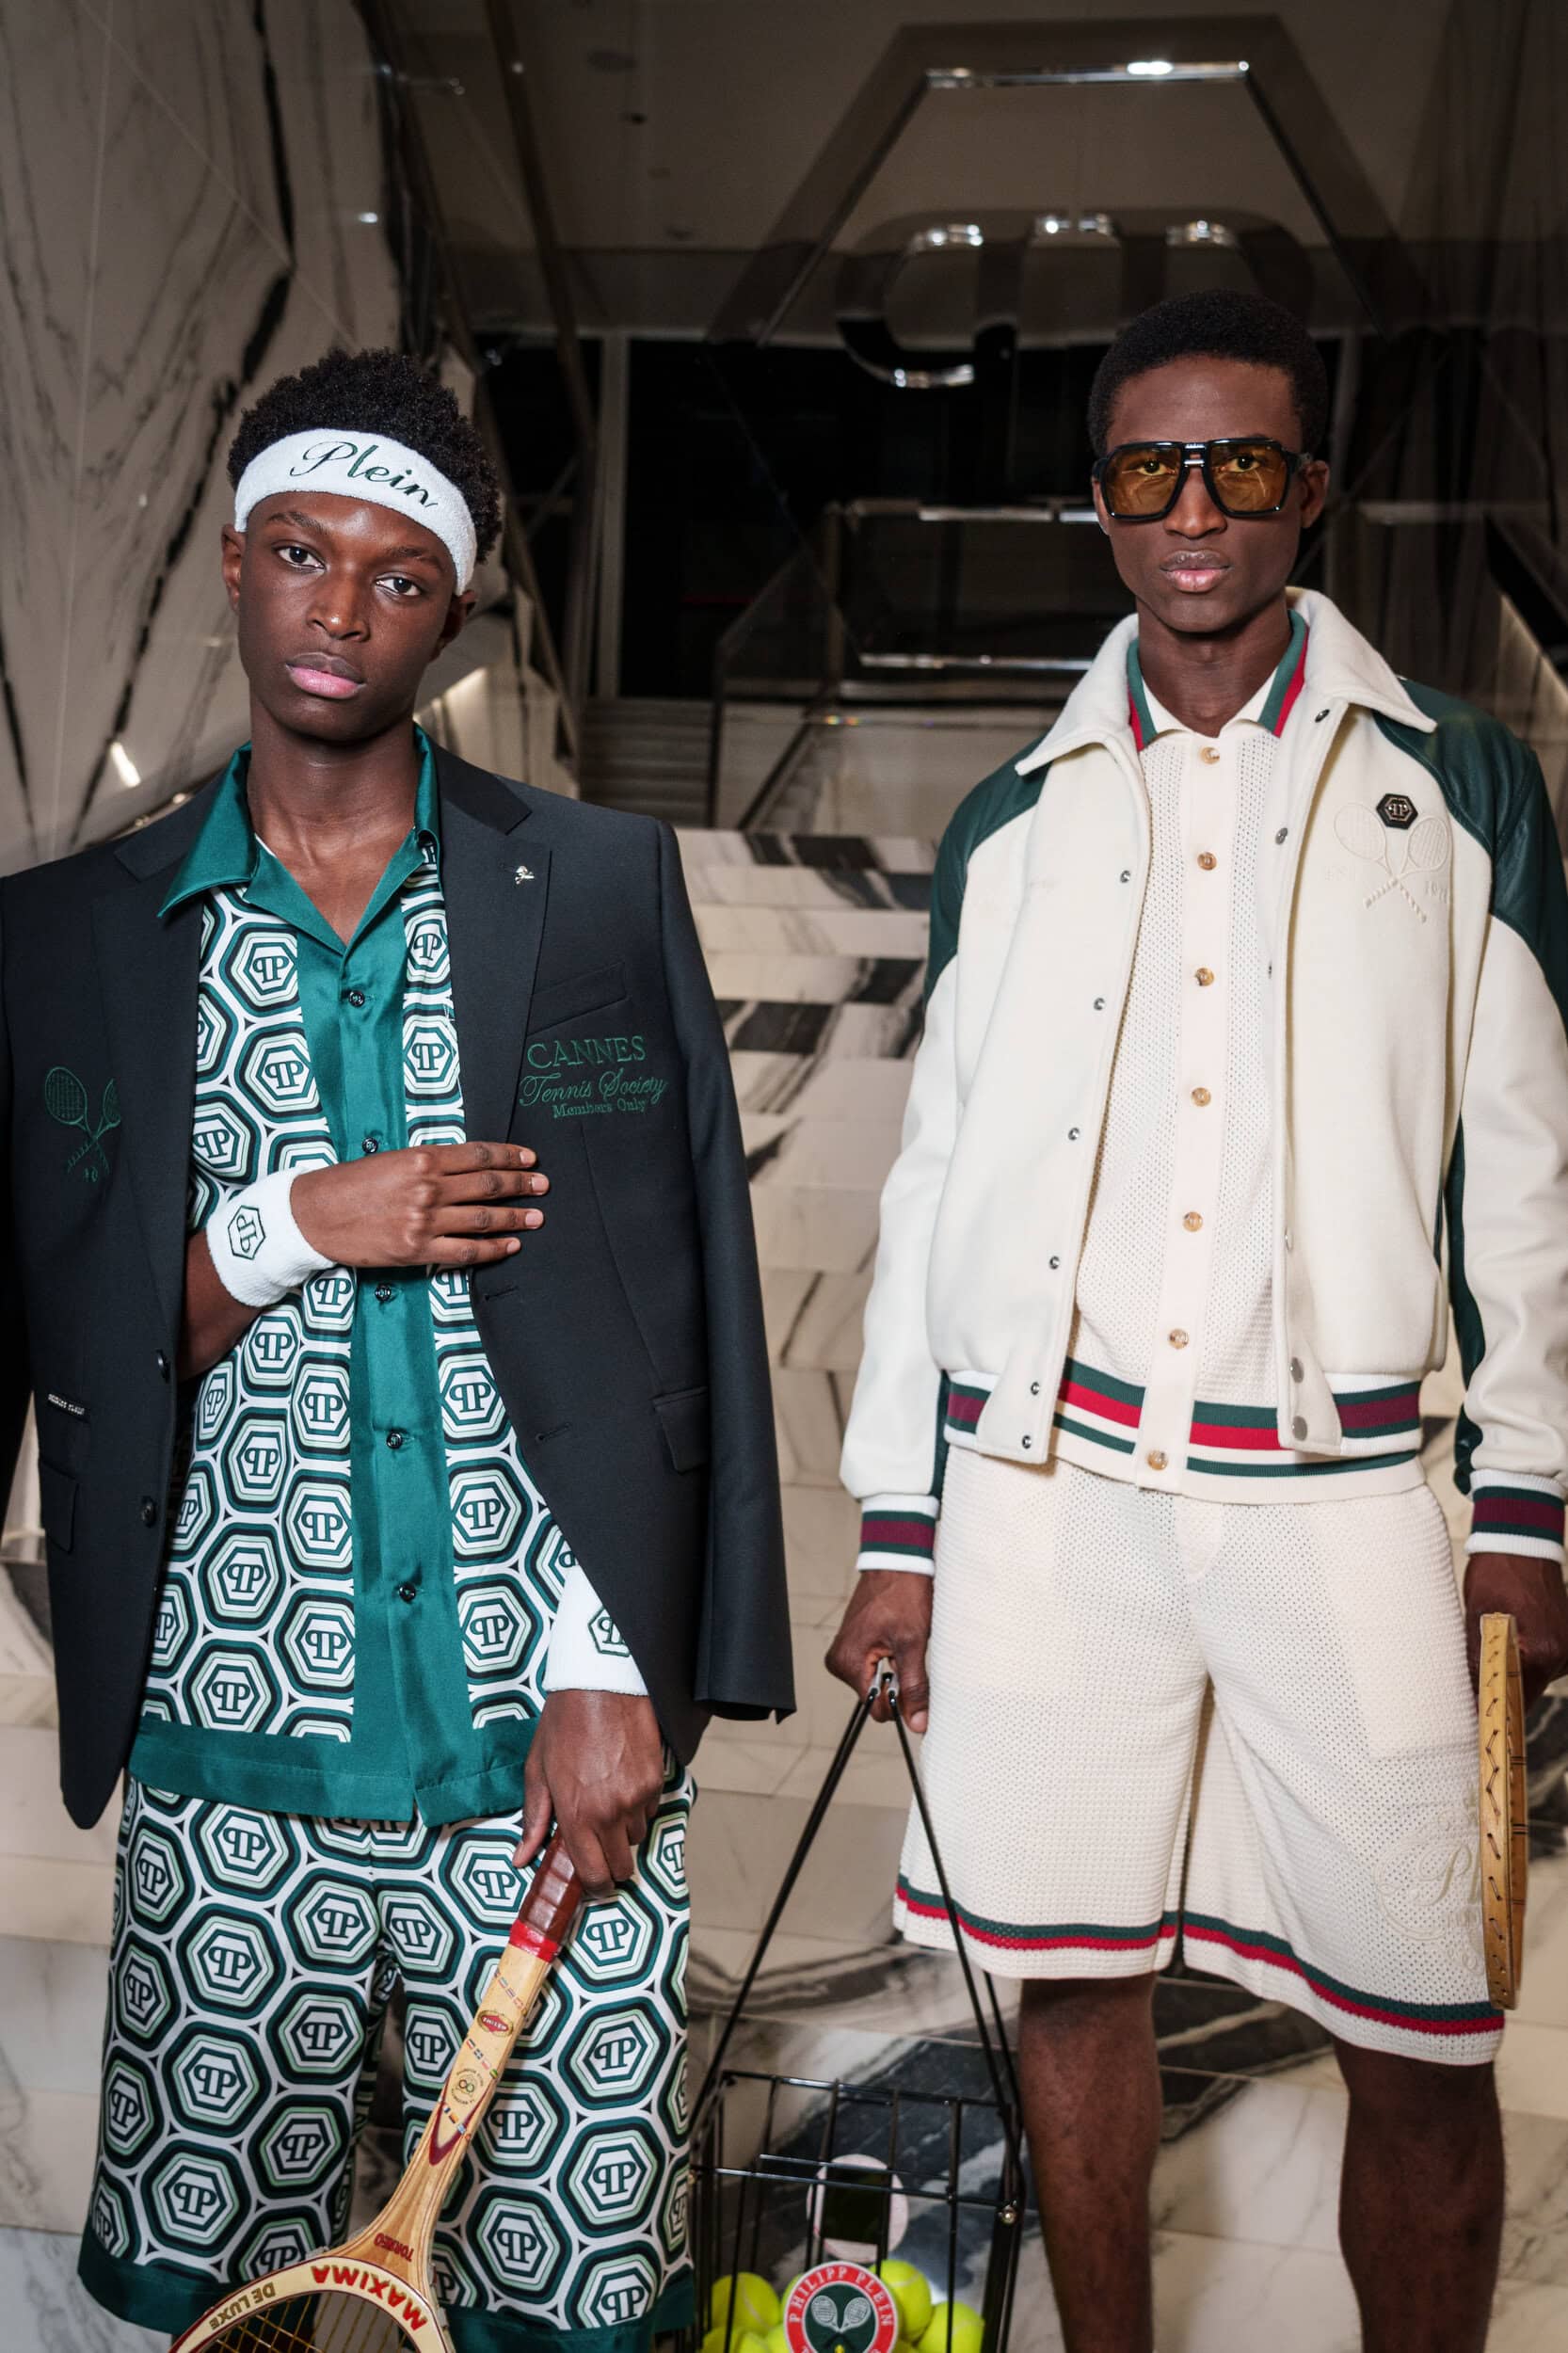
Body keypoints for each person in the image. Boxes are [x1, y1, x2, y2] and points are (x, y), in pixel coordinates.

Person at [0, 346, 792, 2347]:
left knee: (564, 2301)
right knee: (230, 2309)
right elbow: (68, 1325)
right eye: (298, 552)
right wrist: (292, 1223)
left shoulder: (590, 885)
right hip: (226, 1742)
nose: (339, 608)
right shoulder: (69, 934)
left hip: (549, 1743)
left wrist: (619, 1665)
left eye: (396, 573)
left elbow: (683, 1285)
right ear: (232, 565)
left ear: (452, 613)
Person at [826, 288, 1568, 2353]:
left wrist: (1529, 1498)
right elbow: (933, 1183)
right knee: (1069, 1979)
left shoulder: (1458, 779)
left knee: (1423, 2022)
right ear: (1097, 499)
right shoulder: (1013, 818)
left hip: (1351, 1500)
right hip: (1049, 1496)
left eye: (1238, 464)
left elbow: (1525, 1169)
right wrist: (899, 1523)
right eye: (1148, 468)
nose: (1192, 508)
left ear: (1305, 491)